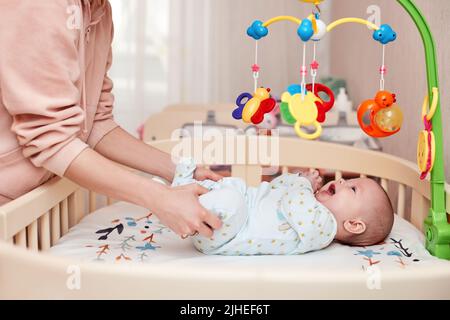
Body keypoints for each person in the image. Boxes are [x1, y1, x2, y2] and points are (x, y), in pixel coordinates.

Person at [0, 0, 222, 238]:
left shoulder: (99, 13)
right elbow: (52, 137)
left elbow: (95, 122)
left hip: (30, 205)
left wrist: (180, 169)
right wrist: (158, 197)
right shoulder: (37, 7)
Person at [172, 158, 394, 255]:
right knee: (232, 188)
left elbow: (293, 202)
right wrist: (299, 178)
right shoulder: (310, 204)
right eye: (350, 181)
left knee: (231, 200)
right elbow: (276, 188)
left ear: (354, 224)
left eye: (353, 189)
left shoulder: (324, 228)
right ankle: (184, 190)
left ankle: (182, 203)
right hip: (240, 213)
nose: (344, 181)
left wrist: (304, 184)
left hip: (224, 233)